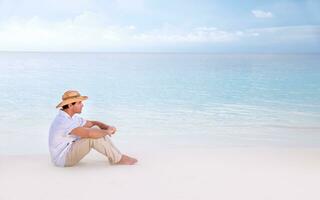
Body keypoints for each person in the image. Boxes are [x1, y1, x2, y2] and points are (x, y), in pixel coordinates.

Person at [49, 90, 137, 167]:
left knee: (96, 129)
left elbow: (92, 123)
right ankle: (118, 159)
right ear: (70, 105)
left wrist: (106, 127)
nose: (82, 105)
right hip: (62, 159)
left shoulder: (72, 118)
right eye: (79, 103)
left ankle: (116, 156)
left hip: (69, 149)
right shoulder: (63, 122)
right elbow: (89, 134)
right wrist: (107, 132)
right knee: (92, 138)